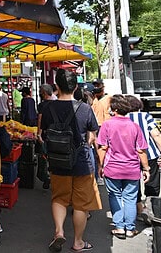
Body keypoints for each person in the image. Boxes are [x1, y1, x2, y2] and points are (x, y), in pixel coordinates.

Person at [40, 70, 101, 253]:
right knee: (81, 204)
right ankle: (78, 242)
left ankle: (59, 232)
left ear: (56, 87)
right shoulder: (85, 108)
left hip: (58, 160)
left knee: (59, 198)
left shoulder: (47, 108)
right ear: (75, 87)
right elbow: (92, 136)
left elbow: (44, 134)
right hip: (81, 161)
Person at [97, 94, 150, 239]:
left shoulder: (107, 125)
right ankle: (130, 229)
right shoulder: (134, 126)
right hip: (132, 169)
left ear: (114, 109)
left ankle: (119, 227)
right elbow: (141, 150)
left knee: (114, 196)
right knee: (130, 199)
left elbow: (102, 148)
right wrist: (146, 168)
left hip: (112, 168)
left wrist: (100, 166)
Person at [125, 95, 161, 220]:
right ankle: (150, 209)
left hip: (129, 155)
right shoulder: (146, 117)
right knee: (152, 181)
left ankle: (138, 209)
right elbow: (156, 134)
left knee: (133, 183)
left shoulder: (123, 118)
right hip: (149, 154)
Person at [37, 84, 56, 189]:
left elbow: (40, 119)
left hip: (45, 134)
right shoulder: (56, 104)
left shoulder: (42, 105)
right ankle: (54, 177)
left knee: (44, 157)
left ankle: (46, 177)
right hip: (55, 134)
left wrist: (39, 134)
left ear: (44, 93)